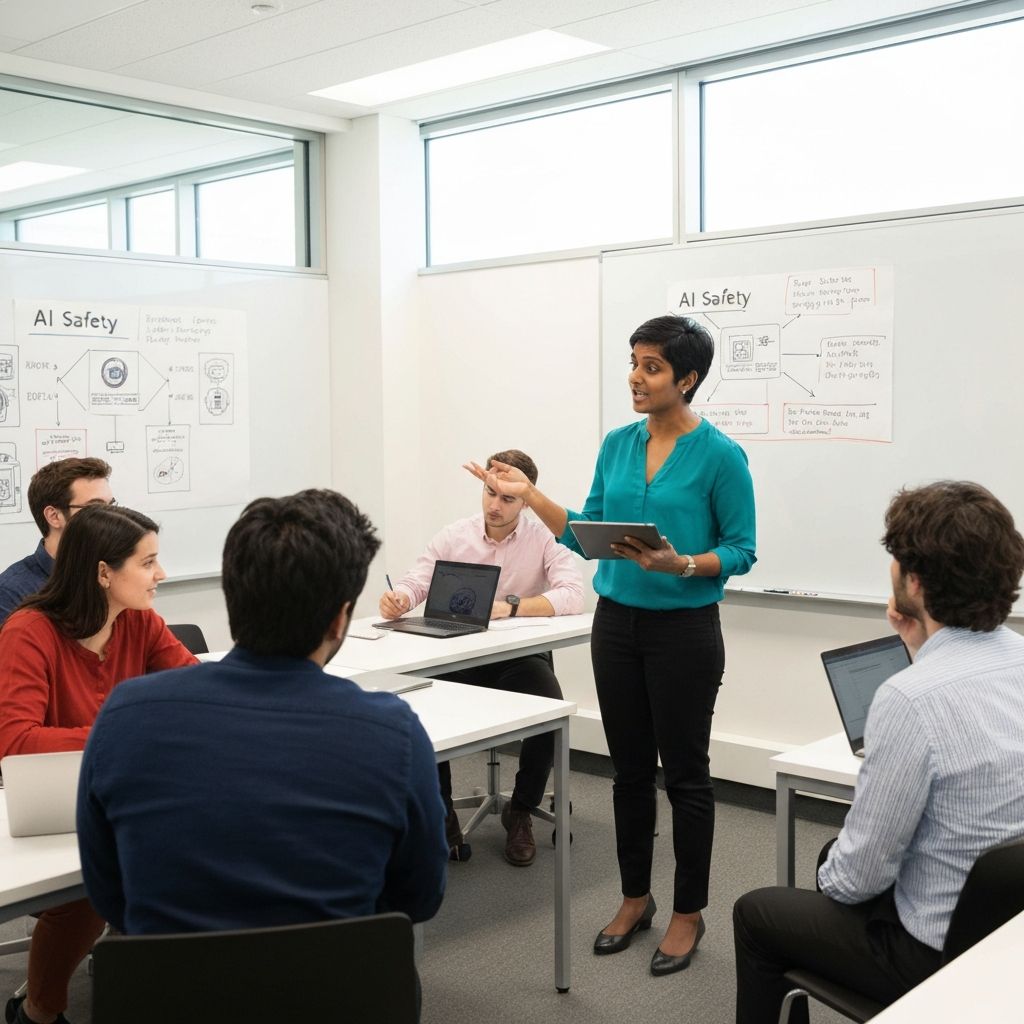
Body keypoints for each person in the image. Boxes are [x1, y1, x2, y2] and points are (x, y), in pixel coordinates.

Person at [467, 317, 756, 975]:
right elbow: (583, 531)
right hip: (617, 625)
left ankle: (688, 912)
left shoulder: (721, 456)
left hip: (684, 631)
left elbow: (742, 550)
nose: (636, 376)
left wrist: (683, 564)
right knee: (629, 771)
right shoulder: (618, 445)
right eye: (633, 362)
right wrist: (528, 495)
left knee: (685, 775)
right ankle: (635, 898)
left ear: (687, 379)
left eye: (652, 366)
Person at [77, 490, 447, 940]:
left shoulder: (125, 716)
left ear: (233, 597)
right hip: (339, 990)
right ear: (339, 619)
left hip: (168, 995)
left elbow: (108, 893)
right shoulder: (394, 732)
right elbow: (420, 897)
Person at [732, 481, 1024, 1024]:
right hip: (1009, 924)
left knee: (759, 910)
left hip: (937, 951)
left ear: (914, 581)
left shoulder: (910, 698)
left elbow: (857, 878)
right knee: (833, 857)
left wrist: (832, 877)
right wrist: (922, 641)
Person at [0, 504, 196, 1024]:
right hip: (55, 808)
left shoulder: (139, 622)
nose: (162, 575)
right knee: (95, 883)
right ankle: (38, 1012)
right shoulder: (29, 631)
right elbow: (17, 741)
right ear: (104, 572)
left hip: (129, 795)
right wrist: (126, 732)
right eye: (148, 562)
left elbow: (195, 693)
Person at [379, 449, 584, 867]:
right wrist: (400, 597)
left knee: (550, 709)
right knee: (422, 712)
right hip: (456, 656)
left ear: (526, 500)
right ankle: (443, 819)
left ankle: (521, 811)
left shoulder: (543, 537)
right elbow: (418, 580)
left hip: (515, 658)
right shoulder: (456, 534)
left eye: (507, 498)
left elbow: (573, 594)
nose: (494, 505)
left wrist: (510, 607)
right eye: (489, 493)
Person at [0, 457, 114, 624]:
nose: (112, 517)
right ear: (54, 516)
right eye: (96, 507)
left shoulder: (113, 573)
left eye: (111, 506)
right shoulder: (12, 592)